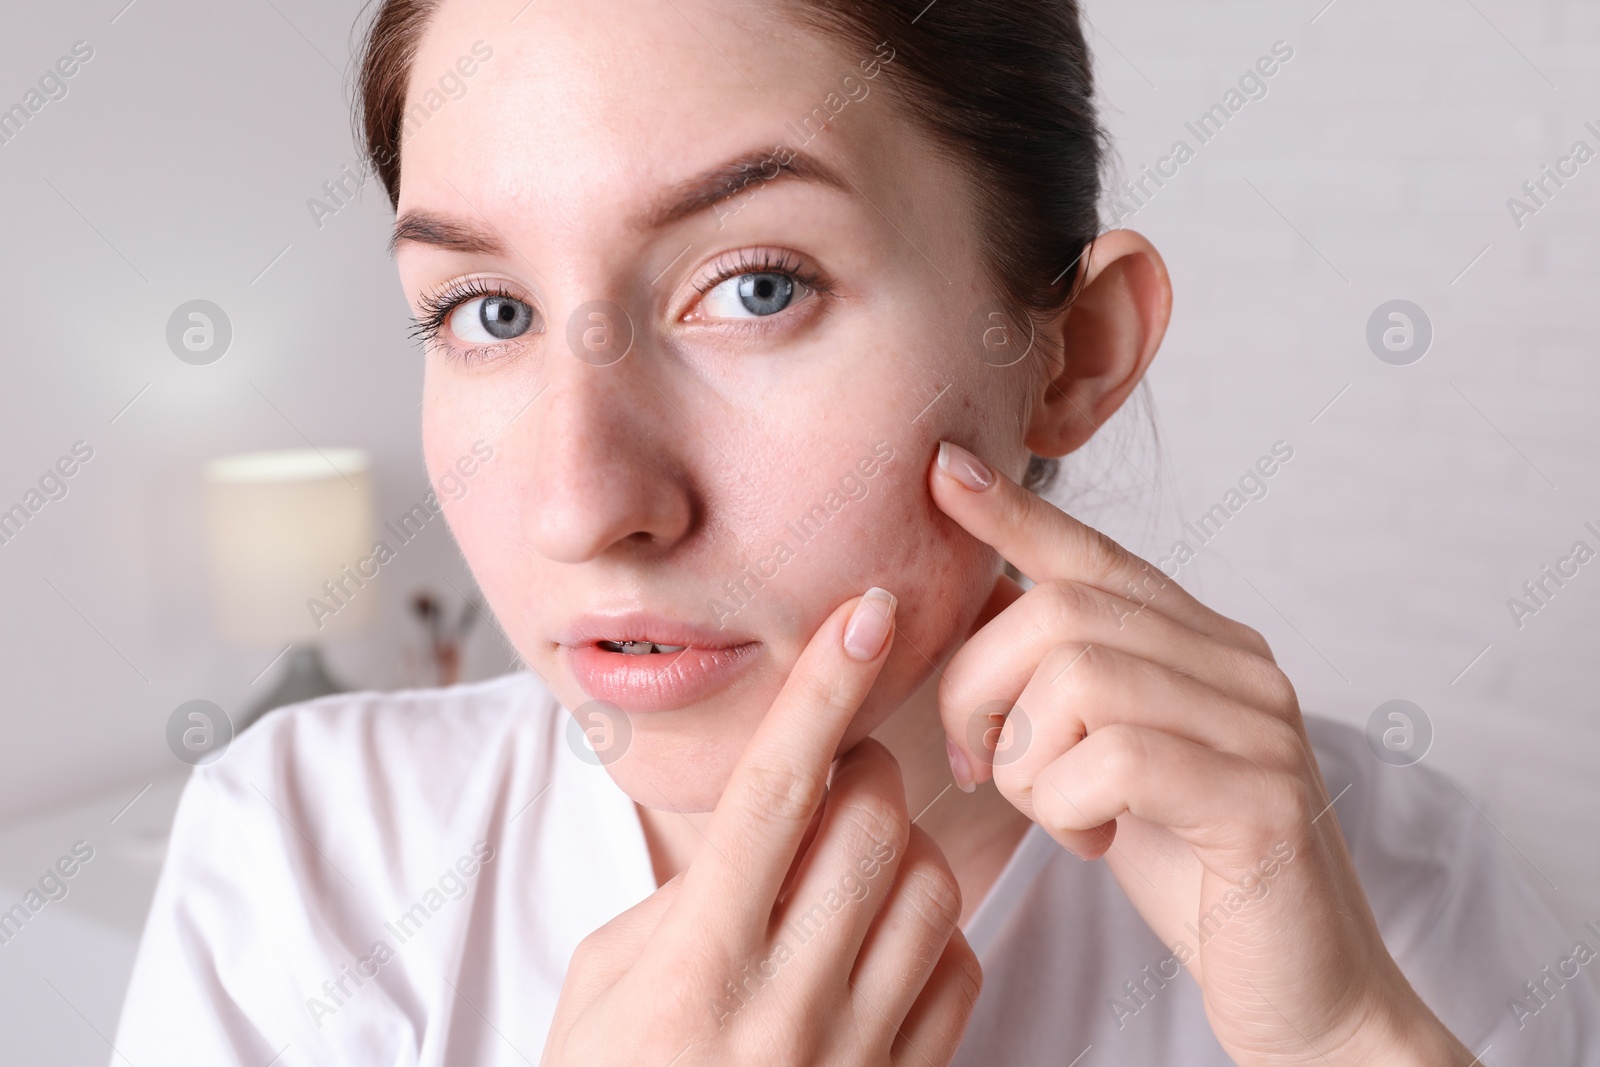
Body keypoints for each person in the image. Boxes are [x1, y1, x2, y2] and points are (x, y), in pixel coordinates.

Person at [112, 0, 1600, 1063]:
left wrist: (1347, 1036)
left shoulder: (1393, 892)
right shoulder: (303, 856)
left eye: (757, 287)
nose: (584, 505)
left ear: (1070, 353)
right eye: (484, 313)